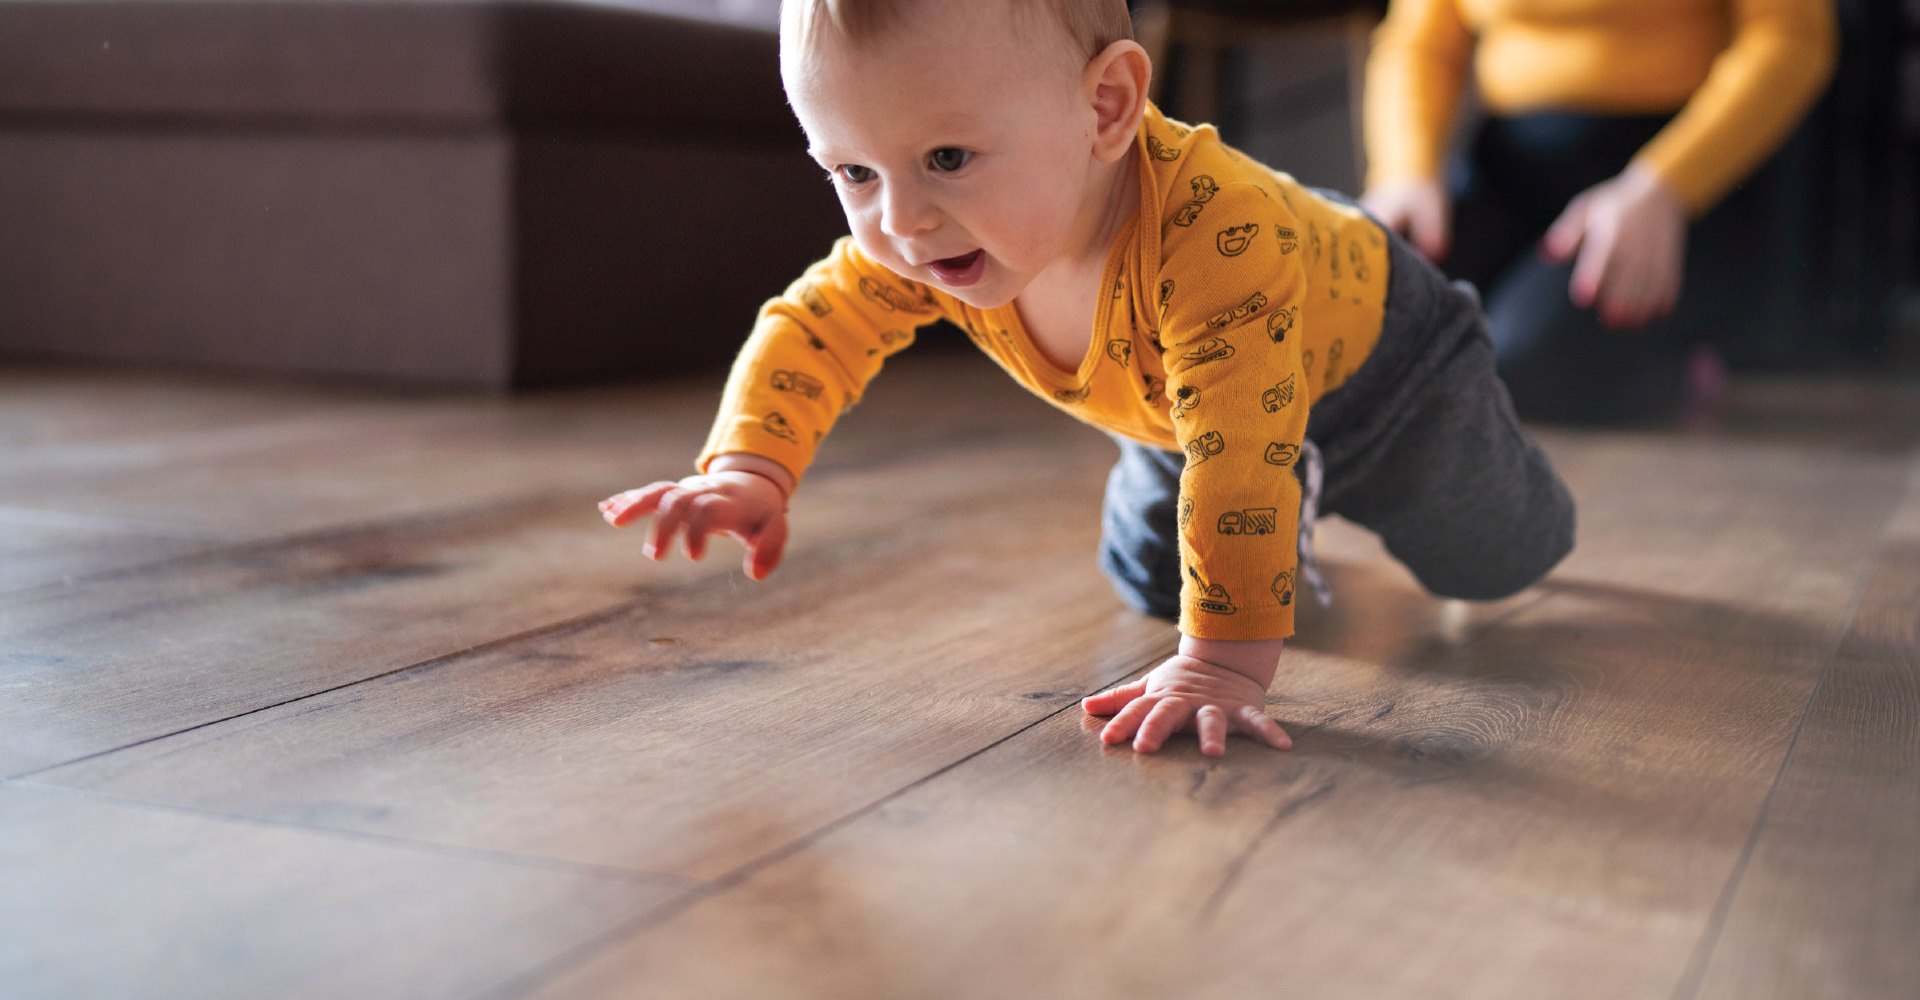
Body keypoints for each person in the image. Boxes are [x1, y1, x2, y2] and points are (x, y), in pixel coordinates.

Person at [599, 0, 1574, 757]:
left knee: (1492, 557)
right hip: (1181, 413)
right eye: (853, 173)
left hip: (1385, 368)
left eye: (946, 157)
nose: (901, 221)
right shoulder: (932, 233)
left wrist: (1224, 669)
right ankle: (1284, 534)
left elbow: (1239, 458)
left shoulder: (1212, 241)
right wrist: (750, 469)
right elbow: (817, 325)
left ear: (1105, 107)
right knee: (1154, 579)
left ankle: (1479, 470)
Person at [1361, 0, 1838, 424]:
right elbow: (1420, 41)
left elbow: (1791, 38)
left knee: (1516, 366)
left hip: (1667, 176)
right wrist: (1405, 171)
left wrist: (1663, 185)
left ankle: (1681, 356)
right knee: (1369, 323)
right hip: (1507, 168)